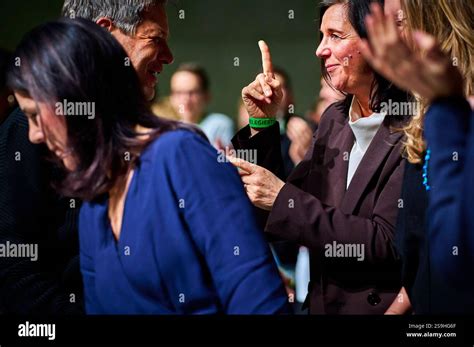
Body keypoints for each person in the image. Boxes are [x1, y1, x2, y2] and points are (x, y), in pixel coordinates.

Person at [8, 17, 290, 314]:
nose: (33, 134)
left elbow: (259, 302)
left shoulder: (180, 155)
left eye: (35, 115)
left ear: (76, 94)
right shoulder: (93, 205)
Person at [230, 0, 411, 314]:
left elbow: (385, 242)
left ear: (375, 42)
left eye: (335, 36)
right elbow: (277, 217)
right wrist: (262, 122)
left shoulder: (411, 125)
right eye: (320, 36)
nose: (320, 49)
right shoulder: (334, 119)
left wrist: (282, 198)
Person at [0, 0, 176, 314]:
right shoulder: (29, 131)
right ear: (105, 33)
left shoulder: (145, 134)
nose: (168, 56)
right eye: (156, 39)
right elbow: (12, 268)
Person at [360, 1, 474, 313]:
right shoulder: (424, 116)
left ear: (437, 24)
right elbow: (419, 251)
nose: (387, 41)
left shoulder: (454, 117)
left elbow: (457, 256)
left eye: (398, 21)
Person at [169, 63, 234, 149]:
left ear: (206, 96)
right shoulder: (167, 130)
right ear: (171, 98)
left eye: (192, 92)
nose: (186, 99)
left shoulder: (220, 125)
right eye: (179, 92)